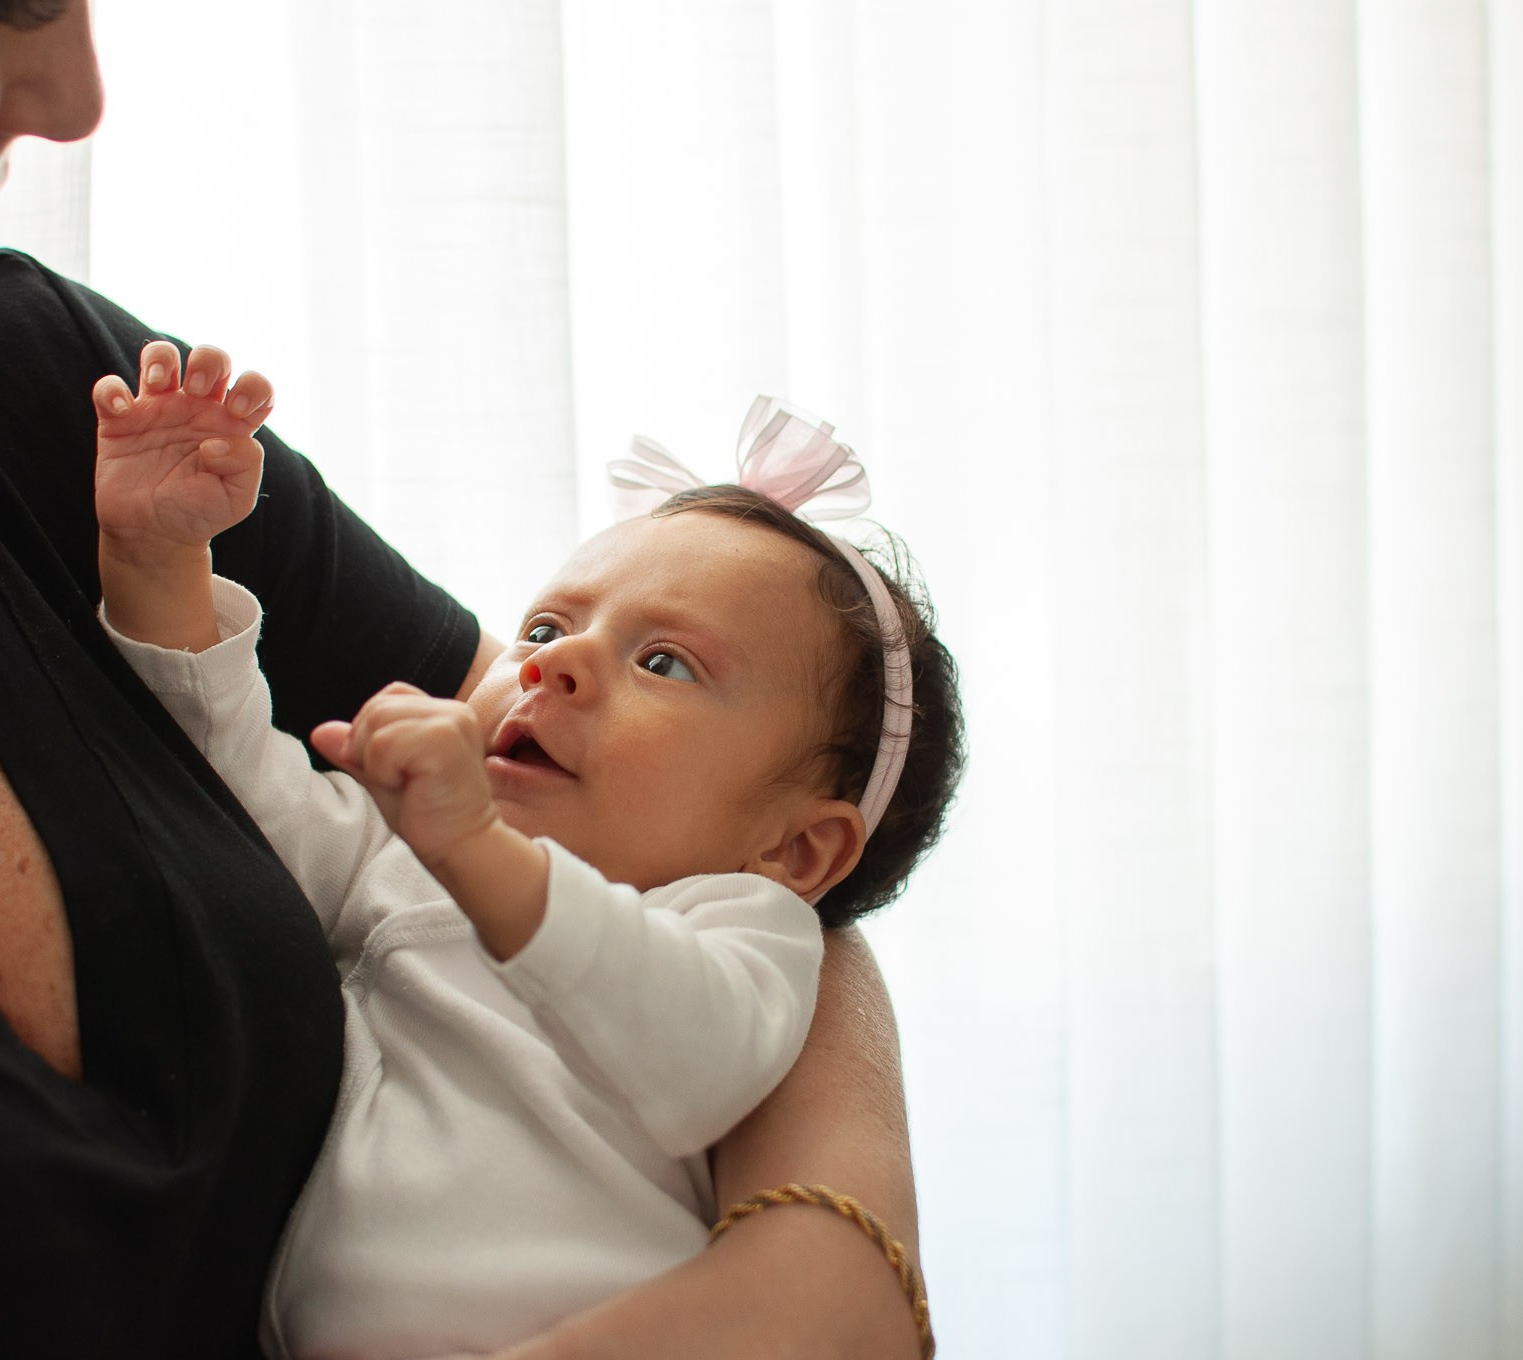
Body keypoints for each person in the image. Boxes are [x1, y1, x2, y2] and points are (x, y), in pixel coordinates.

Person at [0, 4, 936, 1356]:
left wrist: (829, 1255)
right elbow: (251, 765)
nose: (77, 98)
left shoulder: (29, 391)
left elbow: (744, 880)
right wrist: (167, 600)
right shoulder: (420, 856)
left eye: (665, 660)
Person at [89, 349, 965, 1360]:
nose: (556, 661)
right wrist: (157, 566)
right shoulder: (397, 853)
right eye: (546, 624)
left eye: (664, 661)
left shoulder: (734, 924)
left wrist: (475, 852)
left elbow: (699, 1057)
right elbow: (217, 791)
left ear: (794, 846)